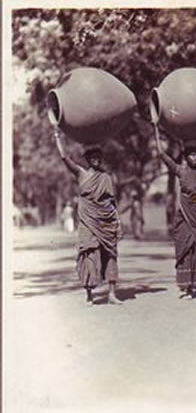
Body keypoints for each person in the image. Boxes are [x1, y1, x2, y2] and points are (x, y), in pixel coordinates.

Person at [53, 127, 122, 306]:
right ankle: (89, 295)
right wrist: (57, 137)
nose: (96, 160)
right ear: (88, 160)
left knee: (111, 255)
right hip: (88, 221)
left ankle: (112, 294)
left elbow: (112, 202)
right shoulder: (81, 174)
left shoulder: (106, 177)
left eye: (98, 158)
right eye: (92, 158)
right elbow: (64, 158)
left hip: (106, 220)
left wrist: (118, 222)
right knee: (89, 254)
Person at [155, 131, 196, 299]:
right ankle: (188, 288)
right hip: (185, 218)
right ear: (186, 157)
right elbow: (164, 157)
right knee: (188, 250)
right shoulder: (181, 171)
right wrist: (158, 139)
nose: (195, 158)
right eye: (192, 155)